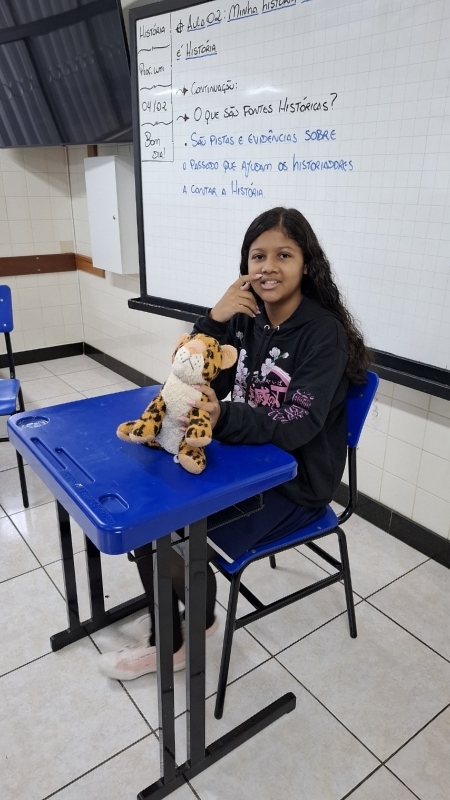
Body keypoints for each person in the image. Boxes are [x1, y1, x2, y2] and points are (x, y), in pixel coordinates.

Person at [98, 206, 370, 680]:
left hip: (295, 481)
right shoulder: (247, 318)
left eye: (284, 255)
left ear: (307, 264)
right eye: (257, 256)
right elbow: (198, 375)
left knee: (164, 531)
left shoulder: (323, 334)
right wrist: (213, 319)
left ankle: (176, 641)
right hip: (246, 460)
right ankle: (192, 616)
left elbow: (297, 423)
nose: (268, 267)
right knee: (150, 508)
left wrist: (222, 417)